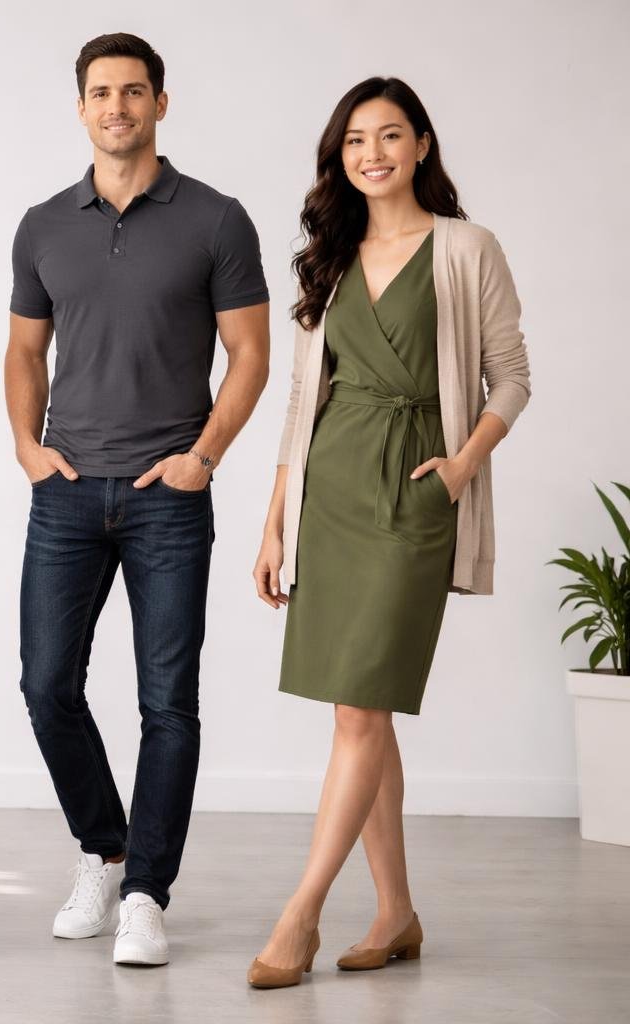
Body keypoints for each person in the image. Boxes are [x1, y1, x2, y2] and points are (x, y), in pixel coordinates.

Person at [246, 77, 531, 989]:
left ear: (420, 145)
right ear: (340, 156)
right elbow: (301, 399)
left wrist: (460, 466)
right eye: (356, 140)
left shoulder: (465, 248)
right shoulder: (330, 260)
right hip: (330, 489)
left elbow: (512, 378)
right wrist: (274, 521)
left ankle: (301, 914)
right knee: (355, 710)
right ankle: (397, 913)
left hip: (414, 491)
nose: (373, 153)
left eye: (390, 135)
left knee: (365, 706)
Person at [6, 32, 271, 967]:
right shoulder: (43, 223)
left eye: (133, 92)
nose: (116, 107)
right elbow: (24, 352)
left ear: (161, 102)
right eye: (100, 93)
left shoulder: (216, 219)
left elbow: (251, 354)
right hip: (68, 492)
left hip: (169, 496)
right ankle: (105, 850)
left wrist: (204, 457)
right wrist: (26, 449)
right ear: (80, 107)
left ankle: (147, 893)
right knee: (46, 686)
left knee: (169, 701)